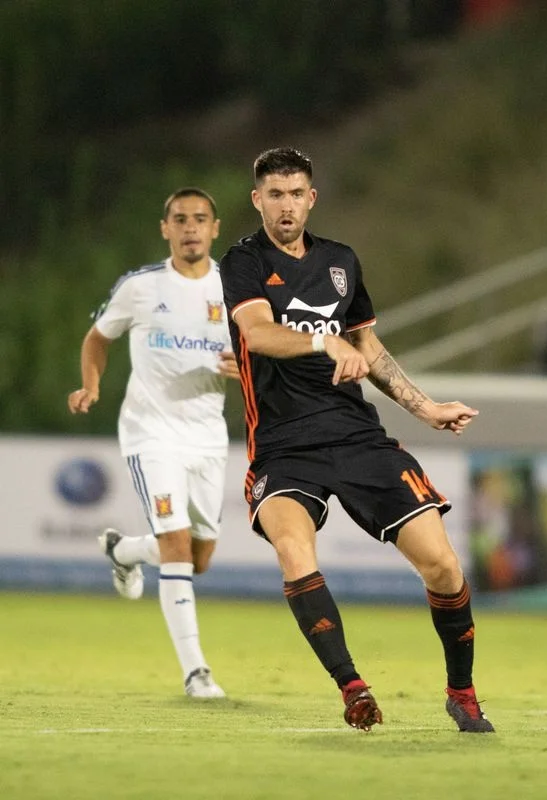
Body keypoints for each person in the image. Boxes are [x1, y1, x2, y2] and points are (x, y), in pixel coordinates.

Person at [219, 147, 494, 733]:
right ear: (257, 200)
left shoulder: (341, 261)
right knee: (295, 553)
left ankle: (463, 691)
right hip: (284, 447)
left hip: (357, 437)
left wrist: (424, 407)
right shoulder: (243, 261)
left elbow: (368, 348)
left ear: (311, 197)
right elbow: (260, 333)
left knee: (443, 566)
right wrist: (324, 343)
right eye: (275, 195)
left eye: (296, 194)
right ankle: (353, 688)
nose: (286, 205)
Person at [67, 187, 239, 699]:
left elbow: (258, 353)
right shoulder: (140, 287)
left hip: (208, 435)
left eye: (200, 219)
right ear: (165, 228)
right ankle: (196, 672)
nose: (190, 228)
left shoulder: (235, 291)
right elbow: (98, 337)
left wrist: (246, 367)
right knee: (177, 545)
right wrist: (93, 384)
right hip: (151, 432)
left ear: (215, 228)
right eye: (180, 219)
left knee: (199, 557)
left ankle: (123, 551)